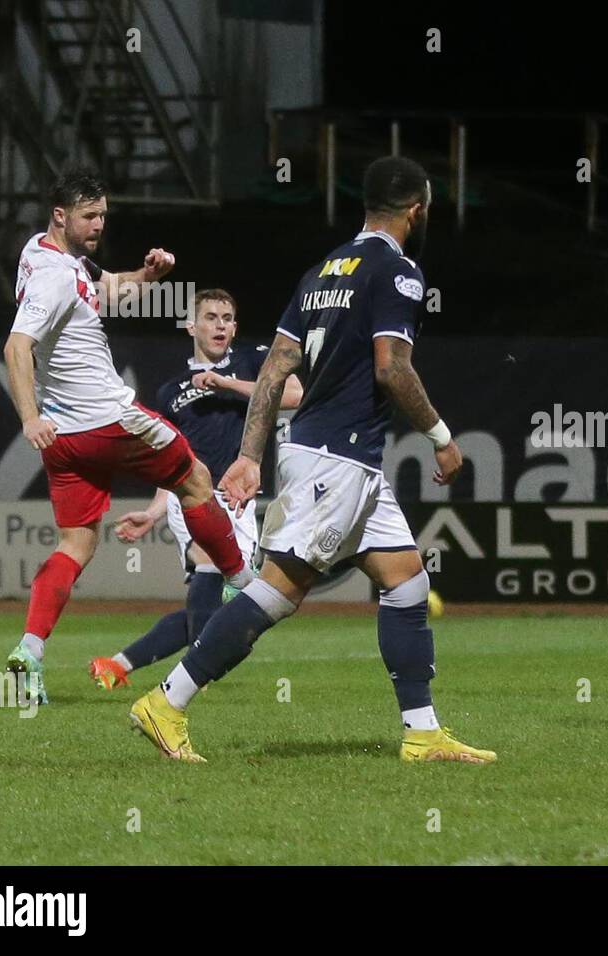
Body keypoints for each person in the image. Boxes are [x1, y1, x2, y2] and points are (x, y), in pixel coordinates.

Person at [128, 156, 495, 764]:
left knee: (405, 581)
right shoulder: (399, 271)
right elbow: (392, 367)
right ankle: (166, 702)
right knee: (278, 590)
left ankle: (423, 732)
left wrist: (250, 456)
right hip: (337, 458)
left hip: (333, 455)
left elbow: (274, 368)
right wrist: (441, 436)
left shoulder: (322, 270)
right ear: (417, 208)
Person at [3, 169, 252, 704]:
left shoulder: (43, 254)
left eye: (103, 216)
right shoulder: (51, 278)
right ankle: (240, 576)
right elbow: (16, 346)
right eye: (90, 217)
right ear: (61, 216)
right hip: (108, 420)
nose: (98, 225)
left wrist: (144, 274)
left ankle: (30, 647)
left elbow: (100, 287)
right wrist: (27, 417)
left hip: (67, 438)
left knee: (78, 542)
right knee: (197, 479)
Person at [89, 288, 303, 689]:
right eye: (210, 317)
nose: (219, 324)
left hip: (240, 499)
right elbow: (173, 462)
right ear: (192, 325)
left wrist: (226, 383)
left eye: (226, 317)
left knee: (225, 606)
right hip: (193, 498)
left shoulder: (252, 361)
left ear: (235, 326)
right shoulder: (172, 391)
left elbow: (293, 394)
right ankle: (186, 687)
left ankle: (118, 665)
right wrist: (154, 511)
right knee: (206, 562)